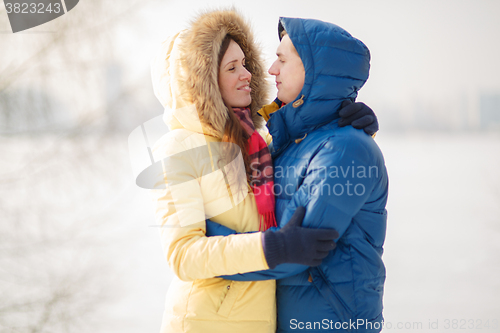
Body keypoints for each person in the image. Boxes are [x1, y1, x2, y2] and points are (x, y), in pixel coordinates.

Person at [150, 10, 379, 333]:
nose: (248, 74)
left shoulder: (257, 142)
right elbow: (182, 255)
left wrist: (339, 119)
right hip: (206, 322)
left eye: (245, 63)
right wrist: (270, 248)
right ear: (203, 83)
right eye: (232, 68)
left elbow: (306, 149)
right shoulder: (179, 149)